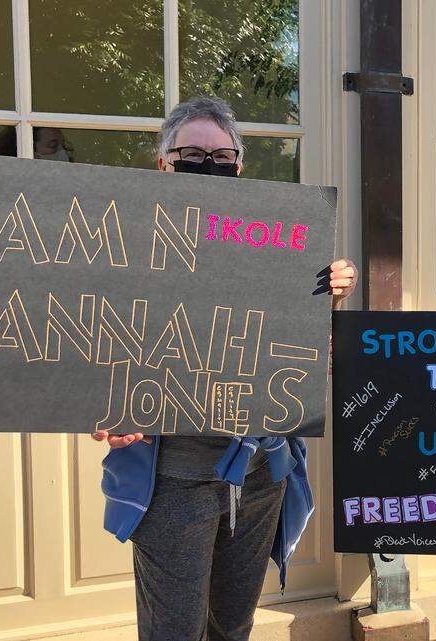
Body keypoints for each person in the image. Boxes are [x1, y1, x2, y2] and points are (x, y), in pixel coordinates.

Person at [92, 96, 359, 641]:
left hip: (259, 473)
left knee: (233, 625)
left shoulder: (275, 240)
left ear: (238, 168)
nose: (207, 165)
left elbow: (299, 349)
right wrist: (103, 406)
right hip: (172, 479)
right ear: (164, 164)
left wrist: (327, 297)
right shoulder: (126, 244)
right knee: (174, 630)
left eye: (221, 156)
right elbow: (88, 341)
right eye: (191, 154)